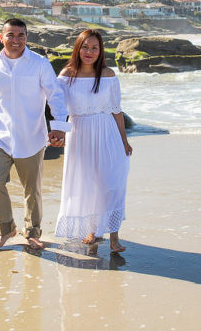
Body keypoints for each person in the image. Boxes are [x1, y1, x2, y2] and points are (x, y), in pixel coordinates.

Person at [0, 18, 71, 251]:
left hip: (32, 137)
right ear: (1, 37)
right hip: (0, 136)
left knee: (32, 190)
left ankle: (32, 232)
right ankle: (6, 229)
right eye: (11, 35)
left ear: (27, 37)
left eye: (21, 35)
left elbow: (55, 95)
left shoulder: (39, 63)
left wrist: (58, 125)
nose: (16, 40)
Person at [55, 29, 133, 253]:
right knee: (88, 184)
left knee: (111, 184)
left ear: (101, 51)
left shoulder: (108, 75)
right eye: (85, 47)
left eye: (94, 48)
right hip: (79, 134)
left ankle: (114, 237)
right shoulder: (66, 75)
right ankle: (92, 230)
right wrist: (56, 132)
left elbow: (116, 111)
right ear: (78, 48)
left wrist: (124, 141)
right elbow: (58, 108)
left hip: (107, 131)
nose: (89, 52)